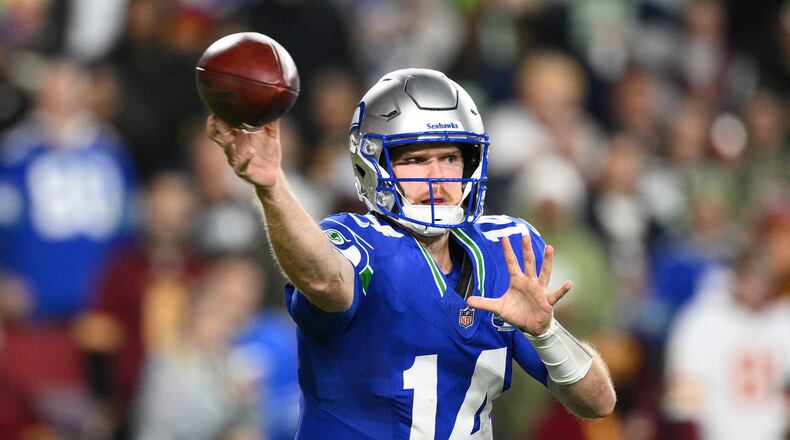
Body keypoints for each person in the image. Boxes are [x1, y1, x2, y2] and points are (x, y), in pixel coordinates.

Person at [206, 68, 616, 438]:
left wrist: (546, 334)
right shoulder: (358, 239)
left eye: (450, 158)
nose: (437, 177)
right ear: (373, 165)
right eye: (416, 161)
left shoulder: (504, 250)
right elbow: (323, 278)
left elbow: (598, 404)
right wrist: (271, 185)